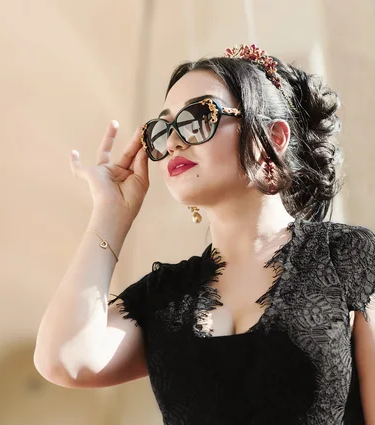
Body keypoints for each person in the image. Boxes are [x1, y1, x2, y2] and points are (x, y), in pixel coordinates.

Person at [33, 44, 375, 425]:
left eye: (198, 118)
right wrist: (110, 213)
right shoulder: (163, 296)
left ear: (272, 138)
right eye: (164, 129)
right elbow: (64, 360)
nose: (175, 141)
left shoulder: (348, 255)